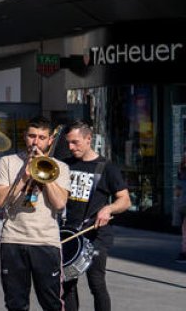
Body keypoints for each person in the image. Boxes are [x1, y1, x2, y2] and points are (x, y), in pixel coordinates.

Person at [0, 117, 70, 311]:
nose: (36, 142)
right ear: (25, 137)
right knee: (15, 303)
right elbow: (1, 200)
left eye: (42, 137)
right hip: (13, 239)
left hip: (45, 241)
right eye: (32, 136)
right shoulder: (7, 162)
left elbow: (60, 204)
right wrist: (24, 177)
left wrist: (45, 173)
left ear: (50, 140)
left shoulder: (60, 167)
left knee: (51, 302)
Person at [61, 121, 131, 311]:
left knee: (96, 283)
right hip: (68, 233)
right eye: (68, 142)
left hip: (95, 235)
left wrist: (108, 209)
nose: (70, 147)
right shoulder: (65, 165)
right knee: (67, 284)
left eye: (75, 142)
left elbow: (125, 200)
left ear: (88, 138)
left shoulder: (107, 167)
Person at [176, 150, 186, 263]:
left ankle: (184, 252)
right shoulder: (181, 173)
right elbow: (178, 190)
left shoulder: (182, 173)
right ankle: (183, 252)